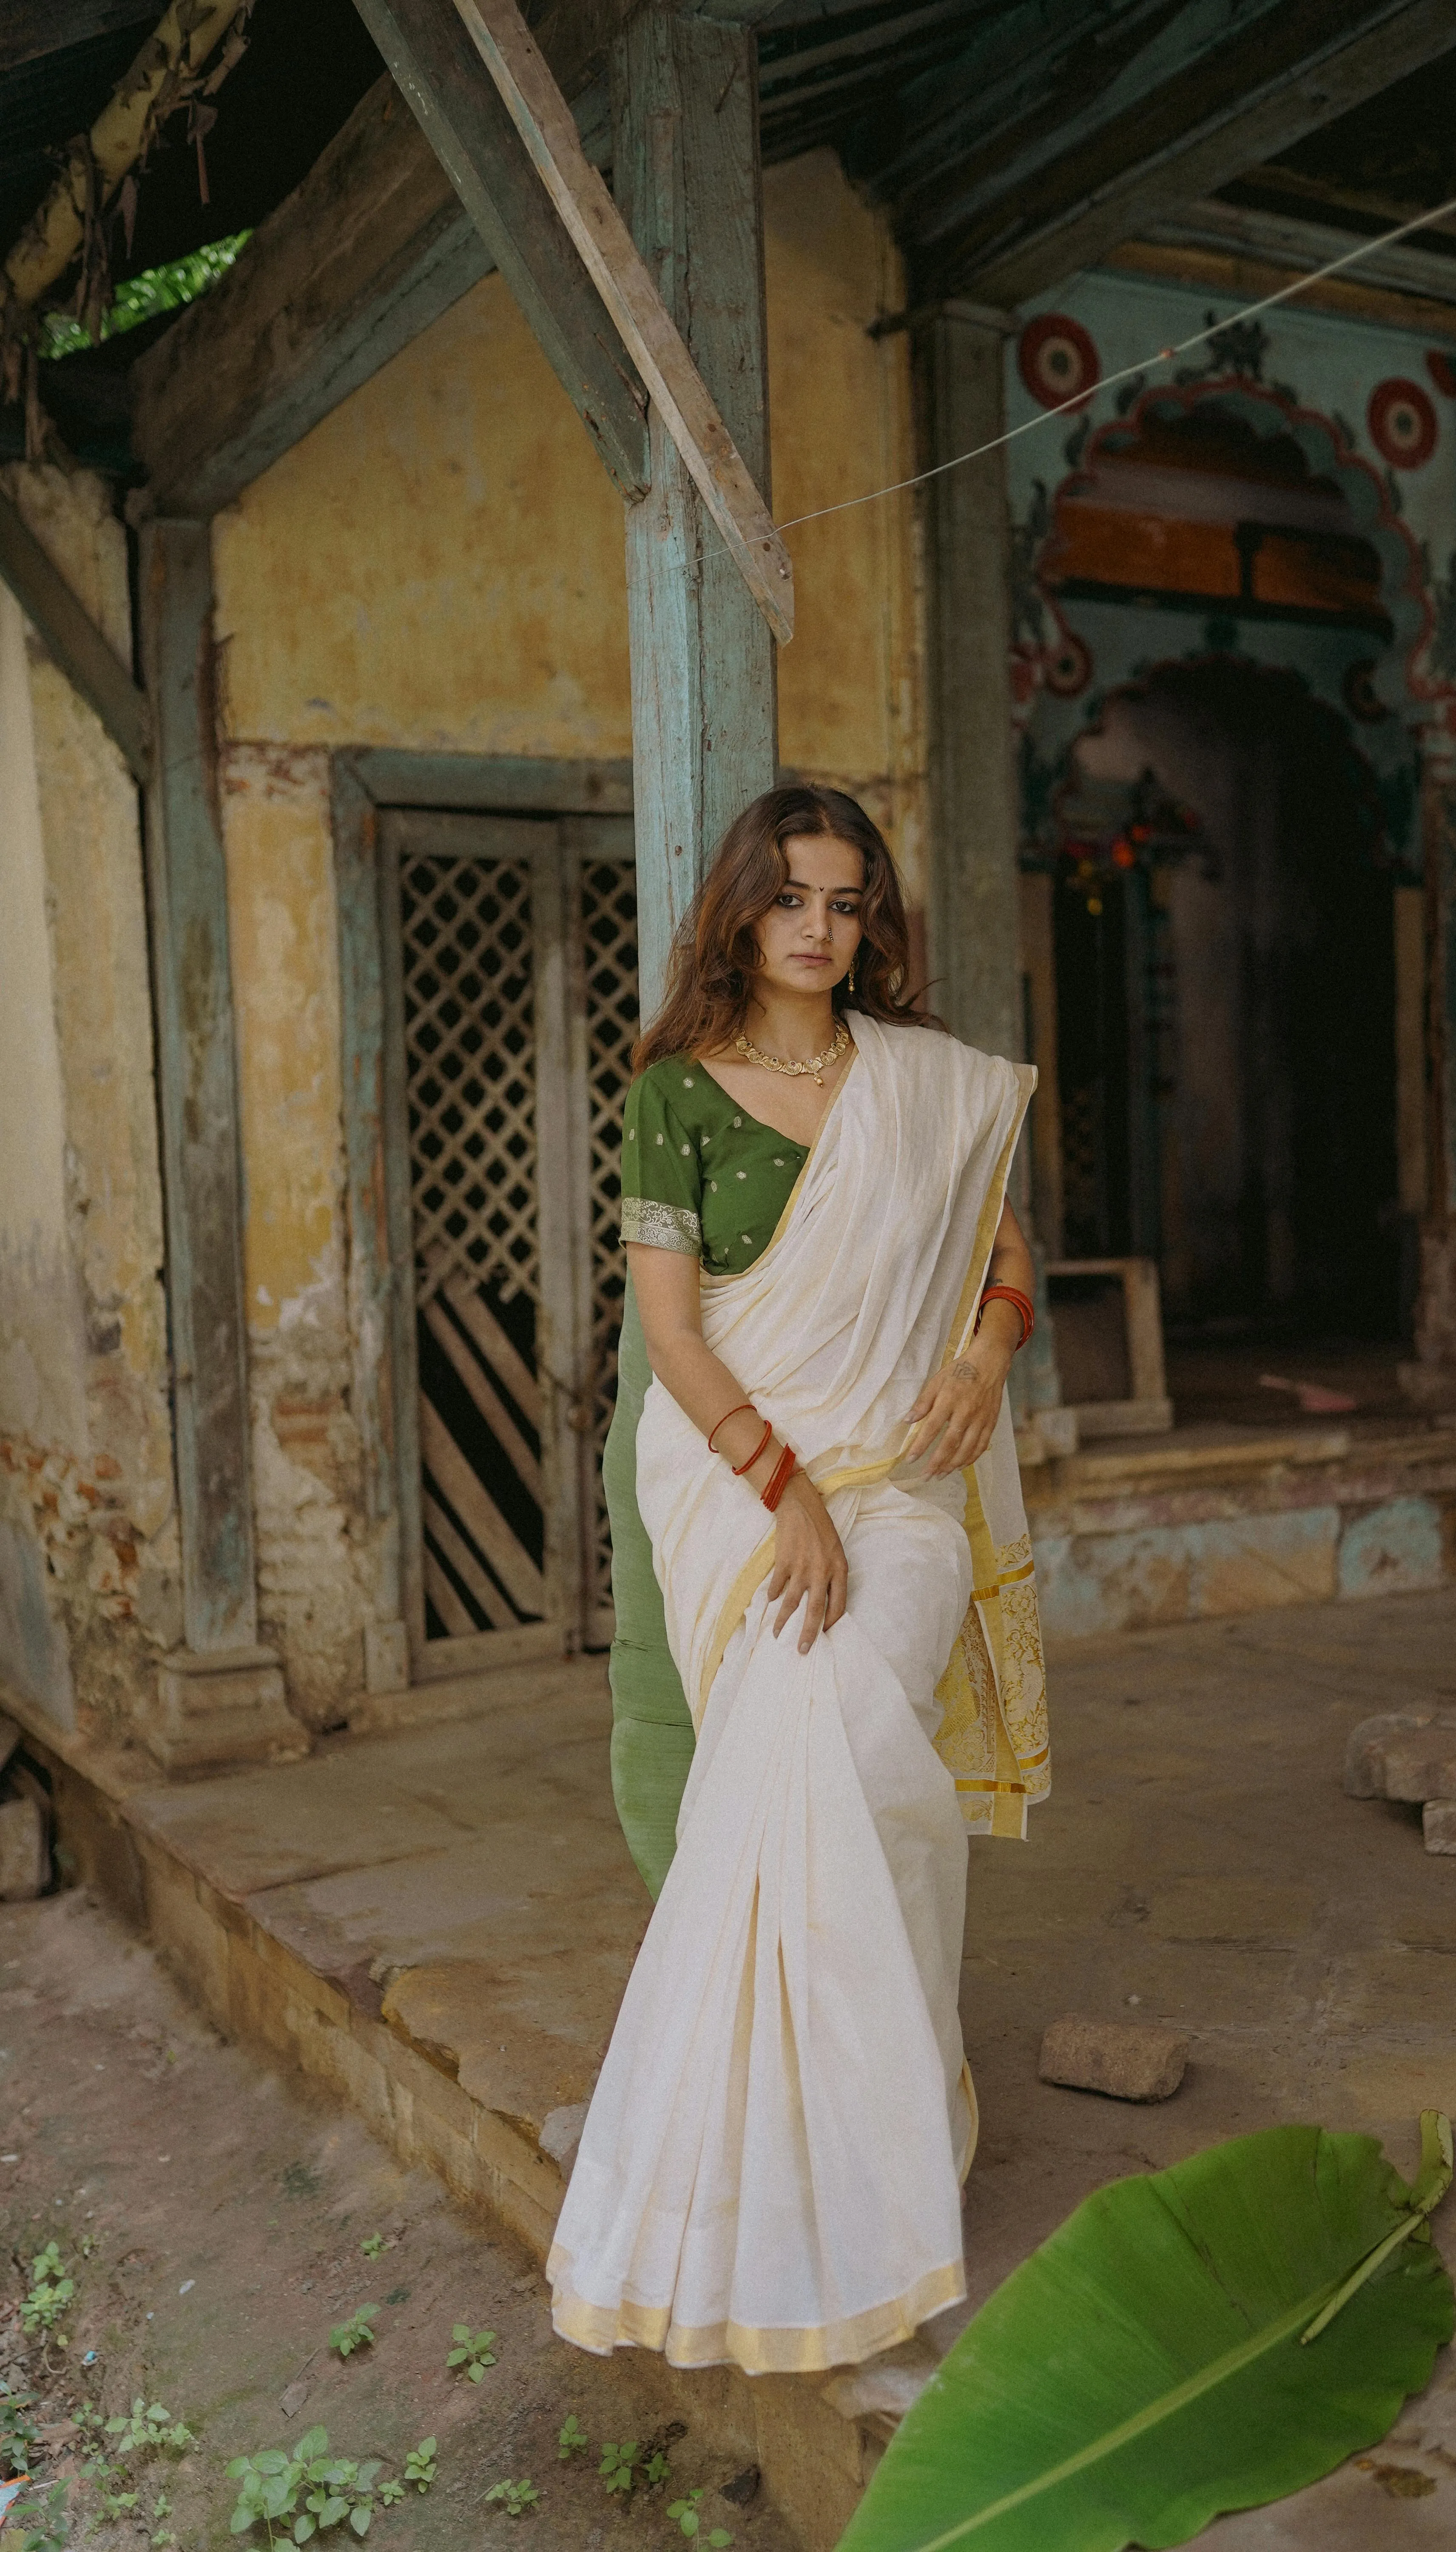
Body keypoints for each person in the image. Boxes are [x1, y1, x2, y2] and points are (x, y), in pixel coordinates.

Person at [548, 783, 1049, 2377]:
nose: (822, 930)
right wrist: (783, 1498)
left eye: (846, 902)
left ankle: (857, 2142)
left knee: (830, 1723)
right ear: (743, 914)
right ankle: (822, 2156)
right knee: (801, 1730)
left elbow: (1006, 1258)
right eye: (794, 901)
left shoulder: (920, 1085)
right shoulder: (673, 1099)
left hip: (897, 1482)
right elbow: (678, 1342)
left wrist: (981, 1353)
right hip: (733, 1476)